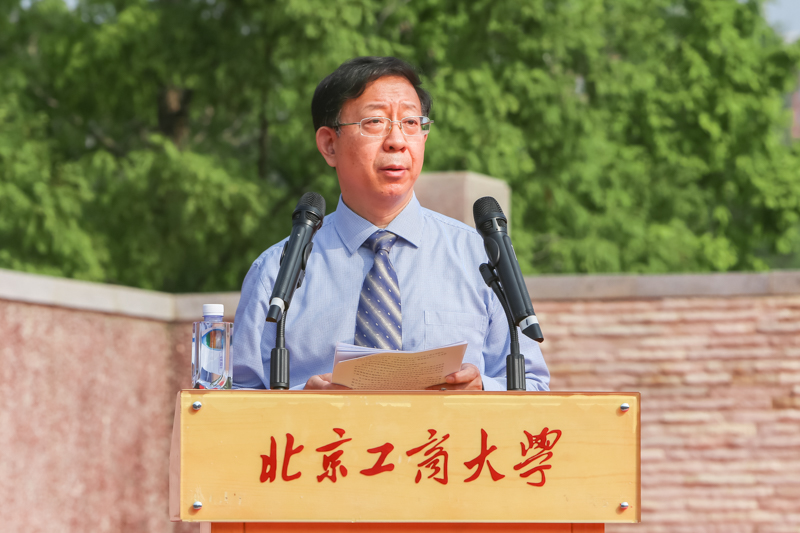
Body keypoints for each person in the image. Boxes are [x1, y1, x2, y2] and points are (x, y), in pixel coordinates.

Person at [232, 56, 549, 391]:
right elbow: (235, 401)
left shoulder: (478, 256)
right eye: (374, 122)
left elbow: (533, 385)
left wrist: (482, 390)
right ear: (329, 144)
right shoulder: (276, 271)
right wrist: (304, 403)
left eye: (411, 122)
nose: (397, 140)